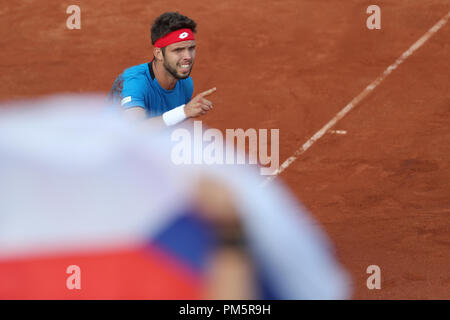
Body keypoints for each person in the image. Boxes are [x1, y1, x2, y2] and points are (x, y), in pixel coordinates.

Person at [108, 12, 216, 128]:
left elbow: (170, 127)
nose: (188, 56)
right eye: (178, 50)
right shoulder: (134, 81)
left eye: (191, 48)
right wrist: (184, 112)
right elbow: (135, 130)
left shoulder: (186, 84)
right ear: (159, 54)